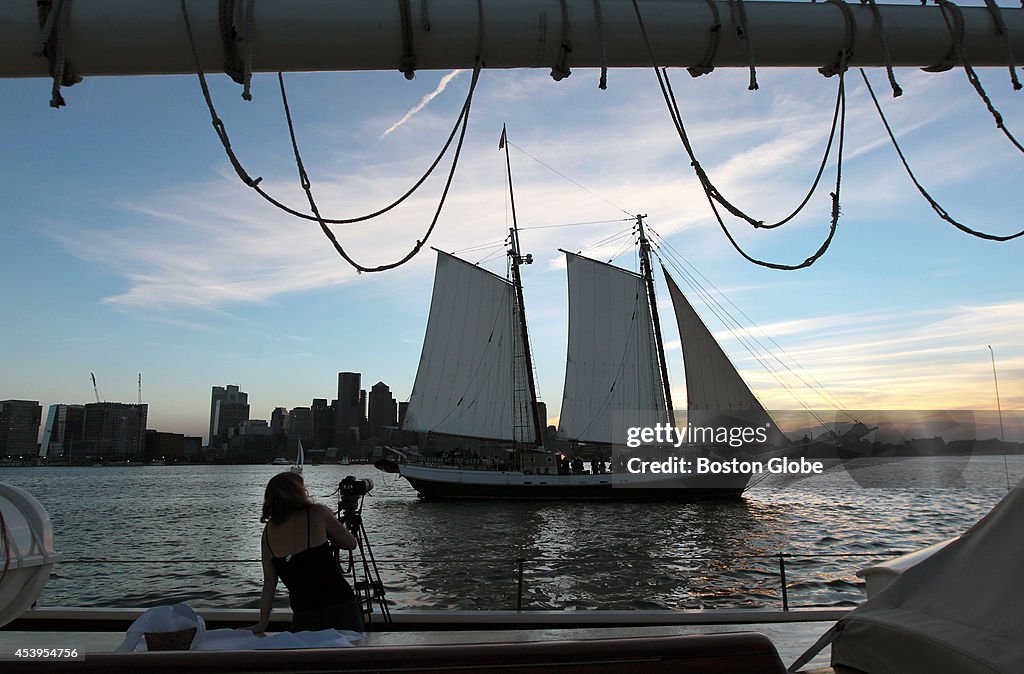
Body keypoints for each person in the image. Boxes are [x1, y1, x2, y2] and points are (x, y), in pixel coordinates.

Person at [249, 472, 363, 633]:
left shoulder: (268, 532)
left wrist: (262, 623)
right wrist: (331, 520)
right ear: (298, 492)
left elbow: (269, 582)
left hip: (304, 615)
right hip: (340, 608)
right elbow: (350, 544)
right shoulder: (318, 513)